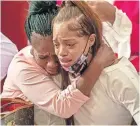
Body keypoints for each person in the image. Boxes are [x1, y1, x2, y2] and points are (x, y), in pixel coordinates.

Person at [1, 1, 115, 125]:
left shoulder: (74, 55)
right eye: (43, 57)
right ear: (31, 45)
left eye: (57, 55)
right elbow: (63, 106)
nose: (52, 64)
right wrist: (97, 65)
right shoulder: (22, 68)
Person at [52, 1, 139, 125]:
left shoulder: (118, 75)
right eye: (56, 44)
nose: (61, 53)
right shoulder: (58, 72)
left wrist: (115, 16)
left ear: (91, 40)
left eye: (70, 44)